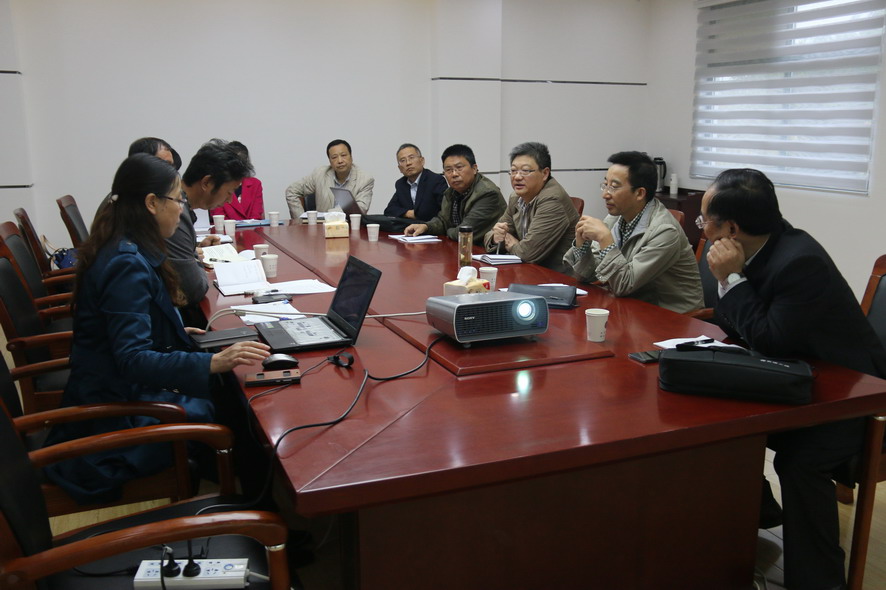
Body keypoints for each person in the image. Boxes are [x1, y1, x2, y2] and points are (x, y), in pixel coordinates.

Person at [43, 153, 270, 504]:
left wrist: (173, 332)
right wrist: (212, 362)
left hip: (118, 390)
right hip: (116, 414)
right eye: (177, 199)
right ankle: (255, 508)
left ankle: (248, 491)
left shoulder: (124, 245)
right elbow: (133, 359)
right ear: (151, 203)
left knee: (228, 387)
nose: (181, 209)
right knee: (234, 401)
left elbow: (125, 331)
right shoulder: (125, 263)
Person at [700, 168, 886, 590]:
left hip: (853, 397)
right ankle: (751, 521)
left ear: (731, 229)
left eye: (705, 220)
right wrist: (732, 282)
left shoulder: (799, 261)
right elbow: (731, 319)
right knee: (712, 427)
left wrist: (731, 278)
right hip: (798, 376)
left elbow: (769, 338)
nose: (702, 229)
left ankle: (819, 581)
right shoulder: (754, 246)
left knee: (799, 460)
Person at [562, 151, 702, 313]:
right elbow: (586, 275)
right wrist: (582, 245)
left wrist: (605, 239)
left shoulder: (665, 231)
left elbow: (624, 285)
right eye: (605, 185)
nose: (605, 194)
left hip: (673, 317)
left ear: (640, 193)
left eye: (614, 187)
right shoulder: (616, 217)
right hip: (633, 308)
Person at [168, 139, 253, 325]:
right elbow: (193, 289)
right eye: (229, 192)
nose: (230, 200)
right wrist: (195, 259)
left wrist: (194, 249)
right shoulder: (176, 212)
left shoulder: (180, 205)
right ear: (206, 182)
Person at [483, 142, 578, 272]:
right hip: (527, 272)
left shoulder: (553, 200)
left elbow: (527, 254)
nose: (517, 177)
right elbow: (491, 235)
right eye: (513, 170)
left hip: (557, 277)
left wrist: (511, 243)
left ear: (545, 173)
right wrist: (496, 238)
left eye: (526, 171)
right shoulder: (516, 198)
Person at [404, 144, 505, 245]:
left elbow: (464, 233)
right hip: (463, 248)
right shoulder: (450, 192)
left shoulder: (487, 194)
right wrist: (425, 227)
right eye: (448, 170)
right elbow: (443, 221)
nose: (454, 174)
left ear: (474, 168)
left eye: (459, 168)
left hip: (485, 251)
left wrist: (448, 231)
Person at [285, 139, 374, 219]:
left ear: (351, 157)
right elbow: (292, 191)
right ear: (330, 161)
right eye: (334, 157)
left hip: (349, 228)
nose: (340, 161)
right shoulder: (319, 174)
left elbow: (360, 209)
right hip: (322, 228)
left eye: (343, 155)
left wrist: (329, 214)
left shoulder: (365, 179)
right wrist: (300, 219)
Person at [383, 143, 447, 221]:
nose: (408, 163)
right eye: (403, 160)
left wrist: (415, 214)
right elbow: (389, 210)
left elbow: (440, 212)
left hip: (431, 226)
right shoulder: (401, 184)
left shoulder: (436, 180)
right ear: (400, 168)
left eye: (411, 158)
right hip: (409, 227)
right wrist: (409, 213)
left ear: (422, 161)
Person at [209, 141, 264, 221]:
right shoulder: (217, 184)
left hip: (251, 228)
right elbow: (218, 217)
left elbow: (256, 216)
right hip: (225, 228)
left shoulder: (255, 184)